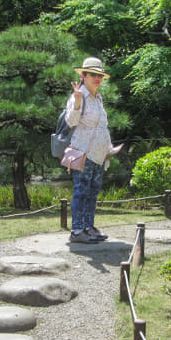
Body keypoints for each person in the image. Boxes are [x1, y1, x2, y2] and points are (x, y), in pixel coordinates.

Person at [64, 57, 122, 244]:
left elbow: (102, 127)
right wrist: (78, 102)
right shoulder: (78, 96)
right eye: (93, 75)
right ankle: (77, 230)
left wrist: (108, 149)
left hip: (98, 155)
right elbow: (71, 122)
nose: (97, 78)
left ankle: (88, 227)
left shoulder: (98, 98)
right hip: (83, 153)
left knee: (93, 191)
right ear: (83, 75)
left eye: (100, 75)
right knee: (81, 191)